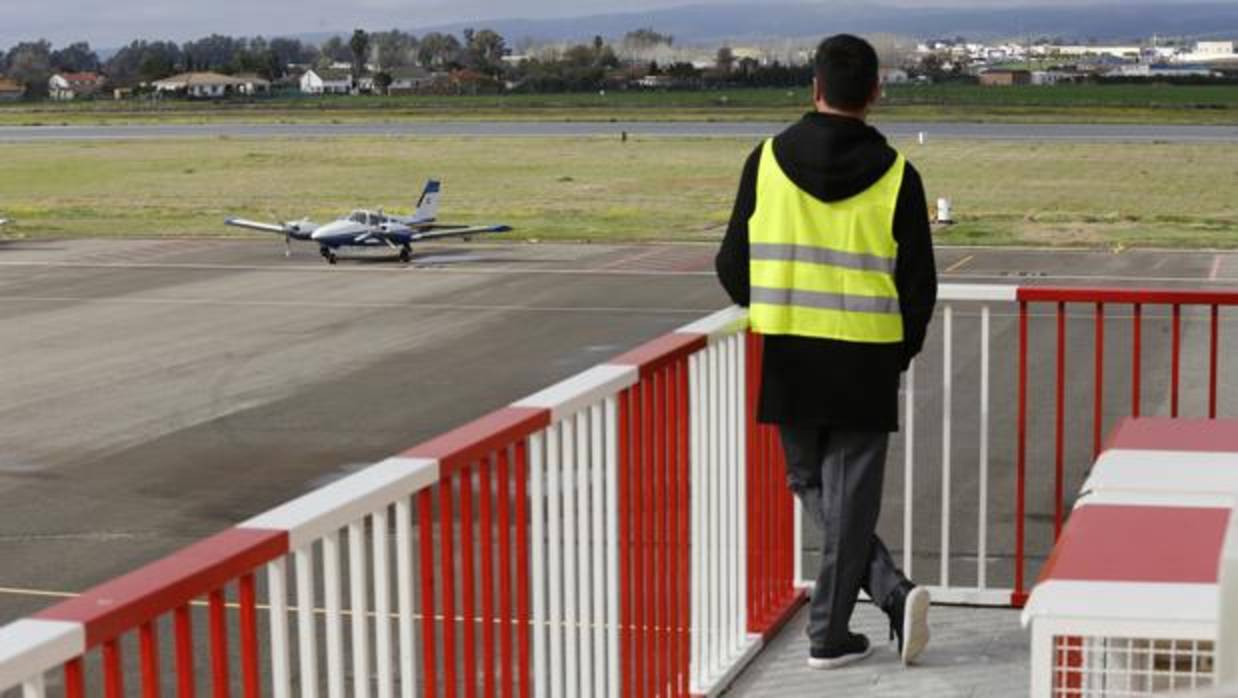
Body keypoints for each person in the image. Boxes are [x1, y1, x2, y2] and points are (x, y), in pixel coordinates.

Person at [715, 33, 938, 670]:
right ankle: (870, 606)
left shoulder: (764, 161)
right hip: (865, 362)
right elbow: (919, 288)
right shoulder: (899, 175)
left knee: (807, 483)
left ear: (814, 89)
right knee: (847, 500)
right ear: (874, 93)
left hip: (790, 352)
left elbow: (732, 265)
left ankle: (841, 626)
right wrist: (897, 352)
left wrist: (774, 306)